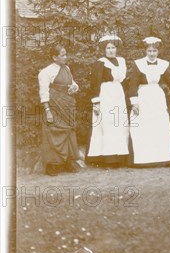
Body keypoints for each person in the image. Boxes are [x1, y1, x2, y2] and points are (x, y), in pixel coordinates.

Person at [129, 36, 170, 166]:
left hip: (157, 97)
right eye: (149, 51)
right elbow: (132, 84)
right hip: (143, 96)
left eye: (154, 51)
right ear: (145, 51)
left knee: (159, 125)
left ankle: (162, 158)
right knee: (143, 126)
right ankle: (144, 159)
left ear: (158, 51)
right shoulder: (138, 64)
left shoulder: (163, 64)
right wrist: (134, 102)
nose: (152, 54)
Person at [86, 34, 129, 167]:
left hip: (118, 92)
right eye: (108, 48)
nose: (111, 50)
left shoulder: (121, 61)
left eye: (113, 47)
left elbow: (123, 80)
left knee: (119, 123)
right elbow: (95, 83)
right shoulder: (100, 63)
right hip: (105, 94)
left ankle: (120, 157)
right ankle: (108, 158)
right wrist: (96, 102)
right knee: (107, 124)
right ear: (104, 50)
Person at [38, 44, 81, 176]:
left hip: (67, 105)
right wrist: (48, 111)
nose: (65, 57)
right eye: (62, 55)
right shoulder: (45, 72)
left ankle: (68, 162)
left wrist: (74, 87)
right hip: (54, 106)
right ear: (54, 57)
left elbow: (73, 83)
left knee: (68, 131)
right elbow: (43, 92)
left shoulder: (66, 68)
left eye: (65, 54)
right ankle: (53, 165)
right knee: (54, 132)